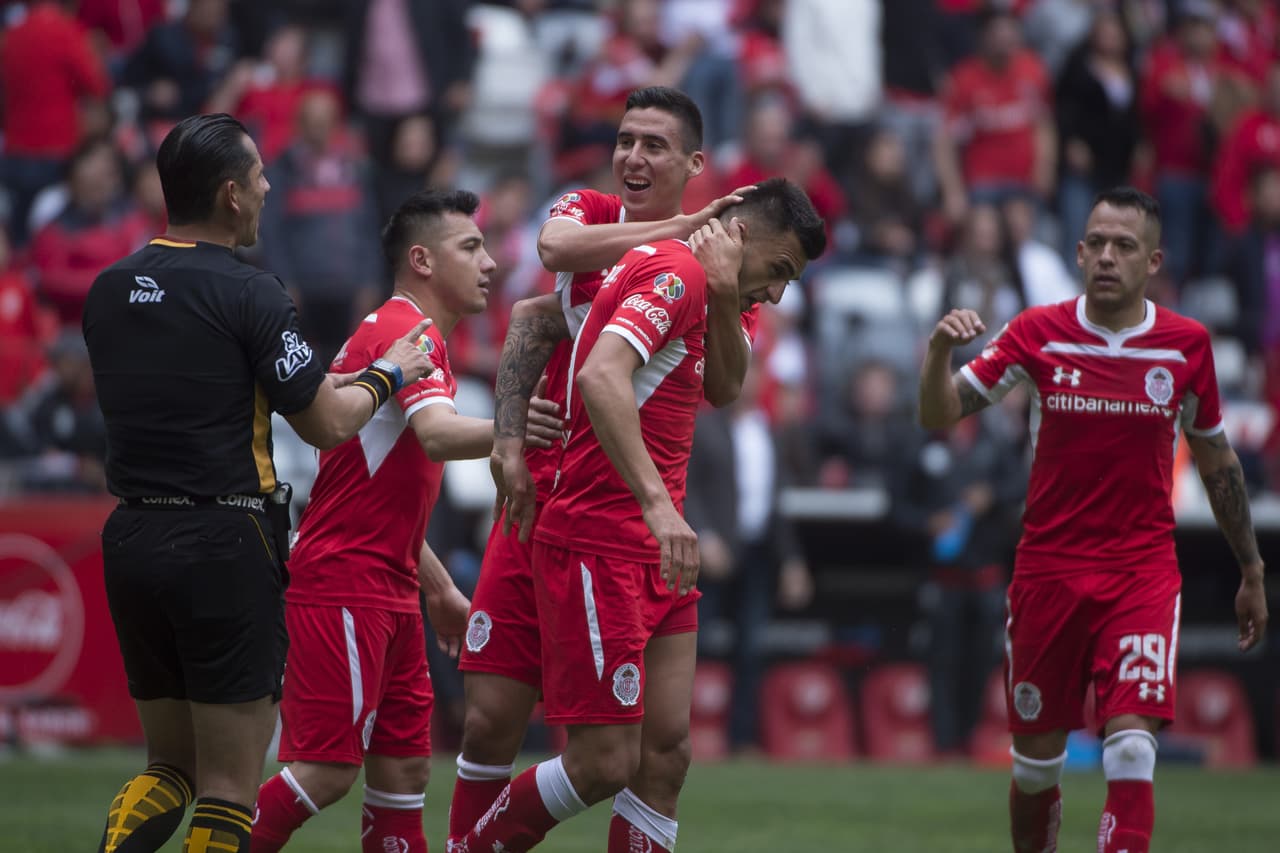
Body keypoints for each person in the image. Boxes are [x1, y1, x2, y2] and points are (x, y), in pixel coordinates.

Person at [82, 113, 433, 853]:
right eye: (262, 176)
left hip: (132, 538)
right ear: (232, 195)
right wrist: (391, 369)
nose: (272, 188)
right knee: (228, 791)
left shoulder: (108, 289)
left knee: (168, 767)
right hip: (223, 541)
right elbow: (330, 423)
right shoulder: (252, 293)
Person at [452, 177, 826, 853]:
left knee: (667, 754)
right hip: (603, 530)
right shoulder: (668, 263)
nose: (776, 292)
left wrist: (724, 286)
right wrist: (655, 504)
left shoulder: (712, 283)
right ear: (741, 232)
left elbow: (726, 384)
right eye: (779, 271)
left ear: (694, 162)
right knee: (596, 759)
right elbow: (596, 370)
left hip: (650, 540)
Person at [918, 186, 1268, 853]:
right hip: (1048, 574)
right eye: (1097, 244)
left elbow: (1219, 459)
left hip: (1140, 572)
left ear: (1153, 260)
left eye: (1125, 246)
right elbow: (938, 414)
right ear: (1078, 253)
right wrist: (938, 353)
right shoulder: (1037, 332)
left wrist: (1250, 566)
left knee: (1132, 747)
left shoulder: (1185, 346)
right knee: (1034, 763)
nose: (1108, 256)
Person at [248, 190, 563, 853]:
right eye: (470, 248)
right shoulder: (404, 331)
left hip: (386, 584)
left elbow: (374, 492)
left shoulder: (413, 335)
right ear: (422, 259)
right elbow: (443, 435)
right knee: (328, 770)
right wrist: (515, 428)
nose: (488, 264)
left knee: (404, 771)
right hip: (344, 583)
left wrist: (439, 587)